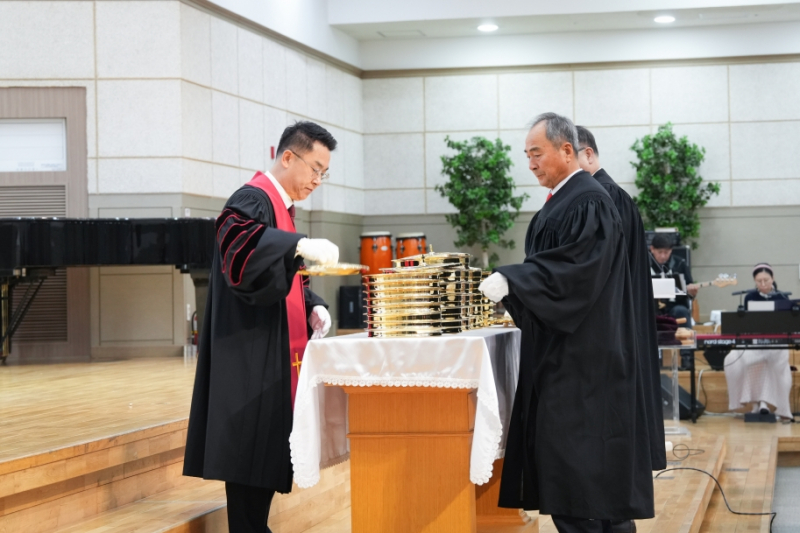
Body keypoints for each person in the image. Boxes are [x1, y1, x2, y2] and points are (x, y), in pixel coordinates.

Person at [479, 113, 654, 533]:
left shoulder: (588, 201)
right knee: (590, 489)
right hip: (571, 359)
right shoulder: (566, 199)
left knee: (579, 485)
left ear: (567, 150)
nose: (531, 164)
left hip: (582, 365)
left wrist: (515, 279)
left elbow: (576, 272)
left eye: (537, 154)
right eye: (527, 155)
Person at [184, 121, 341, 533]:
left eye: (324, 173)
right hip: (248, 352)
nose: (317, 180)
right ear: (288, 157)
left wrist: (312, 305)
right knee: (248, 450)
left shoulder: (281, 208)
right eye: (315, 169)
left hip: (272, 353)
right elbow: (240, 257)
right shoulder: (252, 199)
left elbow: (281, 277)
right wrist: (295, 245)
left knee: (264, 448)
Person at [576, 126, 666, 477]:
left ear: (587, 154)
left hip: (612, 324)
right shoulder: (610, 195)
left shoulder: (602, 197)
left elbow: (597, 270)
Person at [725, 263, 793, 419]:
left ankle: (764, 402)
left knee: (768, 360)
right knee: (736, 359)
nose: (763, 284)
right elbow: (745, 323)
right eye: (759, 281)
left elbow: (788, 323)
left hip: (776, 342)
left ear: (773, 278)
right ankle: (755, 403)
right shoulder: (750, 297)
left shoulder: (782, 297)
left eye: (766, 280)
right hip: (755, 340)